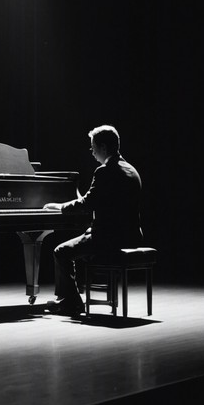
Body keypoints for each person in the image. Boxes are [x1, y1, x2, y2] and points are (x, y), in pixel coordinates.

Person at [43, 124, 143, 315]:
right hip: (132, 237)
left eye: (93, 147)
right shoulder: (132, 170)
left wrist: (60, 206)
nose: (92, 152)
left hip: (109, 239)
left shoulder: (105, 171)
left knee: (61, 252)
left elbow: (87, 203)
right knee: (79, 244)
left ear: (104, 147)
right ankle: (69, 298)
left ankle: (71, 302)